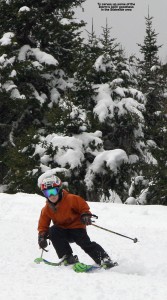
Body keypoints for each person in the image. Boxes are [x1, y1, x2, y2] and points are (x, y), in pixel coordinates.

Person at [37, 174, 116, 269]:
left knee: (85, 244)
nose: (51, 196)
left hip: (76, 228)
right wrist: (41, 237)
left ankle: (104, 259)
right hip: (62, 231)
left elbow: (83, 207)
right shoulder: (46, 209)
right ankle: (67, 257)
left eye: (53, 191)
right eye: (47, 193)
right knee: (53, 230)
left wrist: (86, 215)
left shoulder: (71, 199)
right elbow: (43, 225)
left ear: (59, 190)